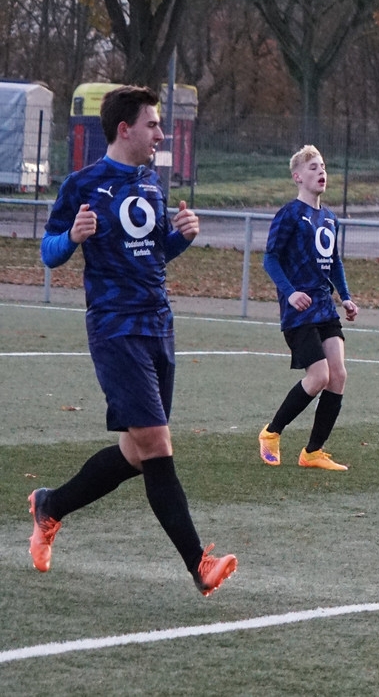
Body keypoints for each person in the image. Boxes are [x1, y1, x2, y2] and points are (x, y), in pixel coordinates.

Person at [31, 85, 237, 596]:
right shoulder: (82, 184)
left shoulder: (150, 182)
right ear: (125, 130)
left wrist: (181, 236)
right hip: (115, 328)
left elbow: (153, 252)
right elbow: (48, 252)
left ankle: (50, 505)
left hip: (158, 325)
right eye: (153, 124)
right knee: (158, 446)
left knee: (136, 453)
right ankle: (199, 565)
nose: (161, 134)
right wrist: (72, 237)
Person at [258, 145, 358, 472]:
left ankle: (313, 452)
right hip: (299, 312)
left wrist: (345, 296)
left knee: (337, 375)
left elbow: (334, 262)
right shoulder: (289, 214)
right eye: (313, 167)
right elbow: (270, 258)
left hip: (325, 309)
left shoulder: (329, 218)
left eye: (323, 166)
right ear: (298, 177)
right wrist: (289, 293)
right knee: (318, 377)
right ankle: (271, 433)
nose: (321, 172)